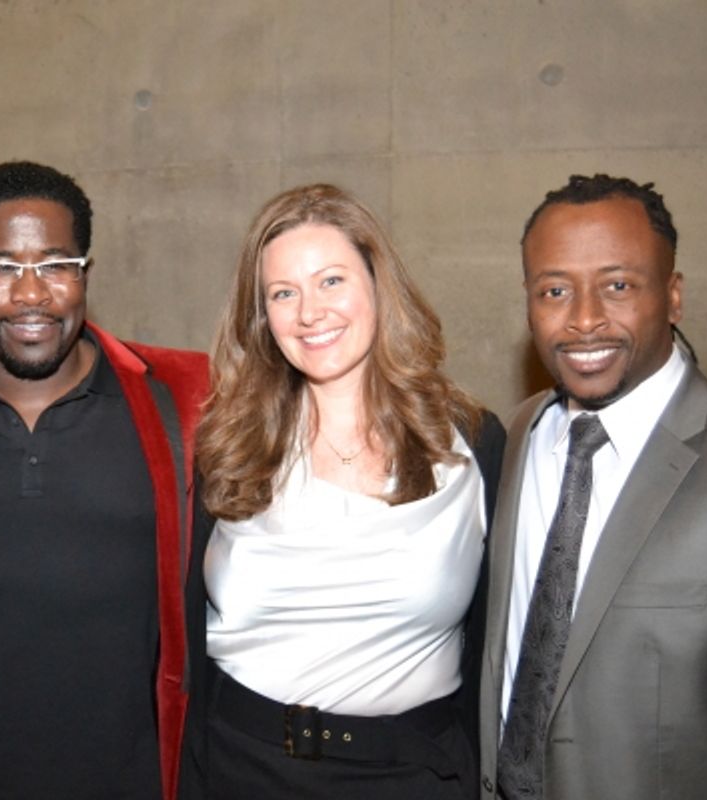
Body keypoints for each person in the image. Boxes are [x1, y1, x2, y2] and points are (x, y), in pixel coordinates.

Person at [0, 160, 210, 800]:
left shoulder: (183, 400)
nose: (31, 294)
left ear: (84, 273)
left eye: (56, 265)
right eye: (2, 268)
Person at [478, 174, 707, 799]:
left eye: (618, 286)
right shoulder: (511, 438)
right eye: (555, 290)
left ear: (673, 297)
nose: (585, 319)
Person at [194, 183, 505, 799]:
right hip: (241, 768)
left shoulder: (471, 443)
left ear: (376, 285)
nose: (310, 312)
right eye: (284, 293)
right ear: (263, 316)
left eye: (332, 280)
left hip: (412, 774)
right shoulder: (223, 444)